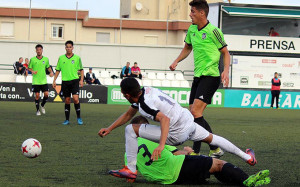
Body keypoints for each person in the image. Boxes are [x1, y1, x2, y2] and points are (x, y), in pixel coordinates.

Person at [99, 78, 256, 181]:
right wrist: (110, 128)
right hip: (187, 120)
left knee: (130, 130)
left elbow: (164, 119)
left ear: (126, 95)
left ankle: (131, 169)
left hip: (176, 133)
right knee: (212, 138)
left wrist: (161, 145)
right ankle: (247, 157)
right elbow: (129, 113)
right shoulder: (146, 90)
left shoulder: (144, 105)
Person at [109, 116, 271, 186]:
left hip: (167, 180)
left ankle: (236, 180)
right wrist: (187, 151)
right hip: (177, 167)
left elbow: (130, 177)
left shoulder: (127, 153)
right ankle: (245, 180)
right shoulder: (154, 138)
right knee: (219, 164)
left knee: (211, 168)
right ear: (145, 127)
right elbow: (176, 154)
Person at [169, 0, 230, 157]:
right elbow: (187, 48)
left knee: (195, 111)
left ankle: (203, 150)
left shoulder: (214, 31)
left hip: (210, 76)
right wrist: (176, 60)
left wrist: (226, 70)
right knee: (194, 114)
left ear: (202, 13)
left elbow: (226, 53)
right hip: (198, 77)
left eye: (193, 11)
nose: (190, 14)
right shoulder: (191, 30)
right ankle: (213, 149)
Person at [52, 40, 84, 125]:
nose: (68, 48)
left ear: (72, 48)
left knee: (76, 99)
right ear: (65, 48)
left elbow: (81, 70)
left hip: (74, 81)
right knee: (67, 100)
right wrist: (54, 80)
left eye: (70, 47)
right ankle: (67, 120)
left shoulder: (77, 58)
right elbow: (58, 70)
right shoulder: (61, 58)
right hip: (65, 82)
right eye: (67, 47)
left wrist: (81, 80)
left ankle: (79, 118)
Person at [28, 44, 53, 115]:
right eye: (37, 50)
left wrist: (51, 72)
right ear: (36, 51)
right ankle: (37, 110)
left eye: (40, 50)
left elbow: (48, 67)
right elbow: (29, 68)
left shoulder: (46, 59)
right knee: (37, 95)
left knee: (46, 94)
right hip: (36, 81)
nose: (39, 51)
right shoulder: (32, 59)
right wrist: (32, 71)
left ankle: (42, 105)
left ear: (42, 50)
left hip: (43, 80)